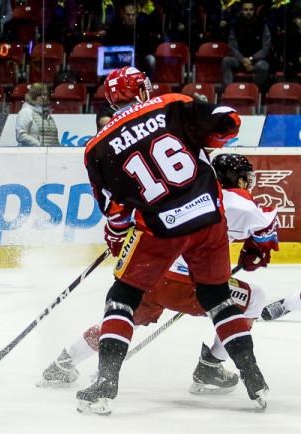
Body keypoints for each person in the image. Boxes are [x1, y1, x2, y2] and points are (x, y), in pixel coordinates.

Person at [79, 66, 269, 415]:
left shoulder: (96, 148)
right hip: (208, 219)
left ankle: (106, 383)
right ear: (142, 90)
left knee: (121, 298)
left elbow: (116, 216)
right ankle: (253, 378)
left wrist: (118, 239)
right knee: (219, 298)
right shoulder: (170, 104)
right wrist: (206, 143)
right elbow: (228, 120)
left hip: (161, 232)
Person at [40, 153, 278, 397]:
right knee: (255, 297)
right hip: (191, 287)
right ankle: (211, 366)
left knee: (122, 319)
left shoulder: (182, 188)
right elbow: (266, 225)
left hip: (150, 277)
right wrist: (257, 247)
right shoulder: (239, 201)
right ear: (237, 180)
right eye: (244, 179)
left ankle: (64, 362)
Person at [222, 1, 272, 93]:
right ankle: (228, 91)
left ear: (254, 11)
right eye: (245, 10)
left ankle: (252, 91)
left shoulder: (262, 26)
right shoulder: (235, 26)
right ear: (241, 11)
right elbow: (232, 47)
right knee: (226, 61)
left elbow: (266, 48)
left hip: (256, 61)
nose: (248, 12)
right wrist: (243, 60)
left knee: (264, 66)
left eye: (251, 10)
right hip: (239, 60)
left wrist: (251, 59)